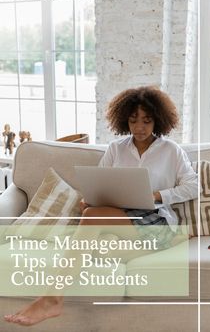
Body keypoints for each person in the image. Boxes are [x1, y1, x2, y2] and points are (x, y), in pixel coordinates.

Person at [4, 85, 198, 326]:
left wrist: (158, 195)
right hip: (121, 216)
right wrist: (92, 197)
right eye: (133, 120)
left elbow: (193, 186)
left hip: (154, 218)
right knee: (88, 234)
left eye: (147, 121)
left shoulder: (171, 151)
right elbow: (100, 182)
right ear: (124, 120)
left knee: (90, 222)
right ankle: (171, 241)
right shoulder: (116, 149)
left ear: (157, 121)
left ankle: (51, 298)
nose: (139, 127)